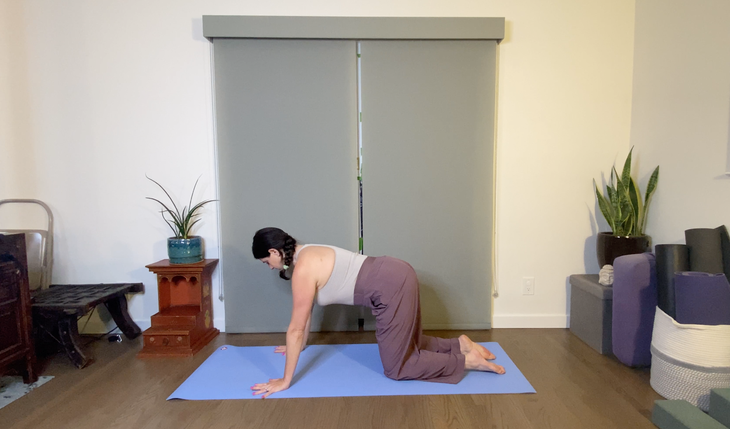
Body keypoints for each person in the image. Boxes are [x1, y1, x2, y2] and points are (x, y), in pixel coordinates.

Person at [250, 227, 505, 398]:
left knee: (397, 367)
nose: (270, 268)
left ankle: (464, 361)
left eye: (265, 262)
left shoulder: (303, 270)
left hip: (389, 286)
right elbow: (303, 318)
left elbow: (295, 327)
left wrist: (284, 381)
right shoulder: (307, 252)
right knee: (408, 343)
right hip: (394, 271)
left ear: (274, 252)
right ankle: (459, 345)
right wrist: (300, 346)